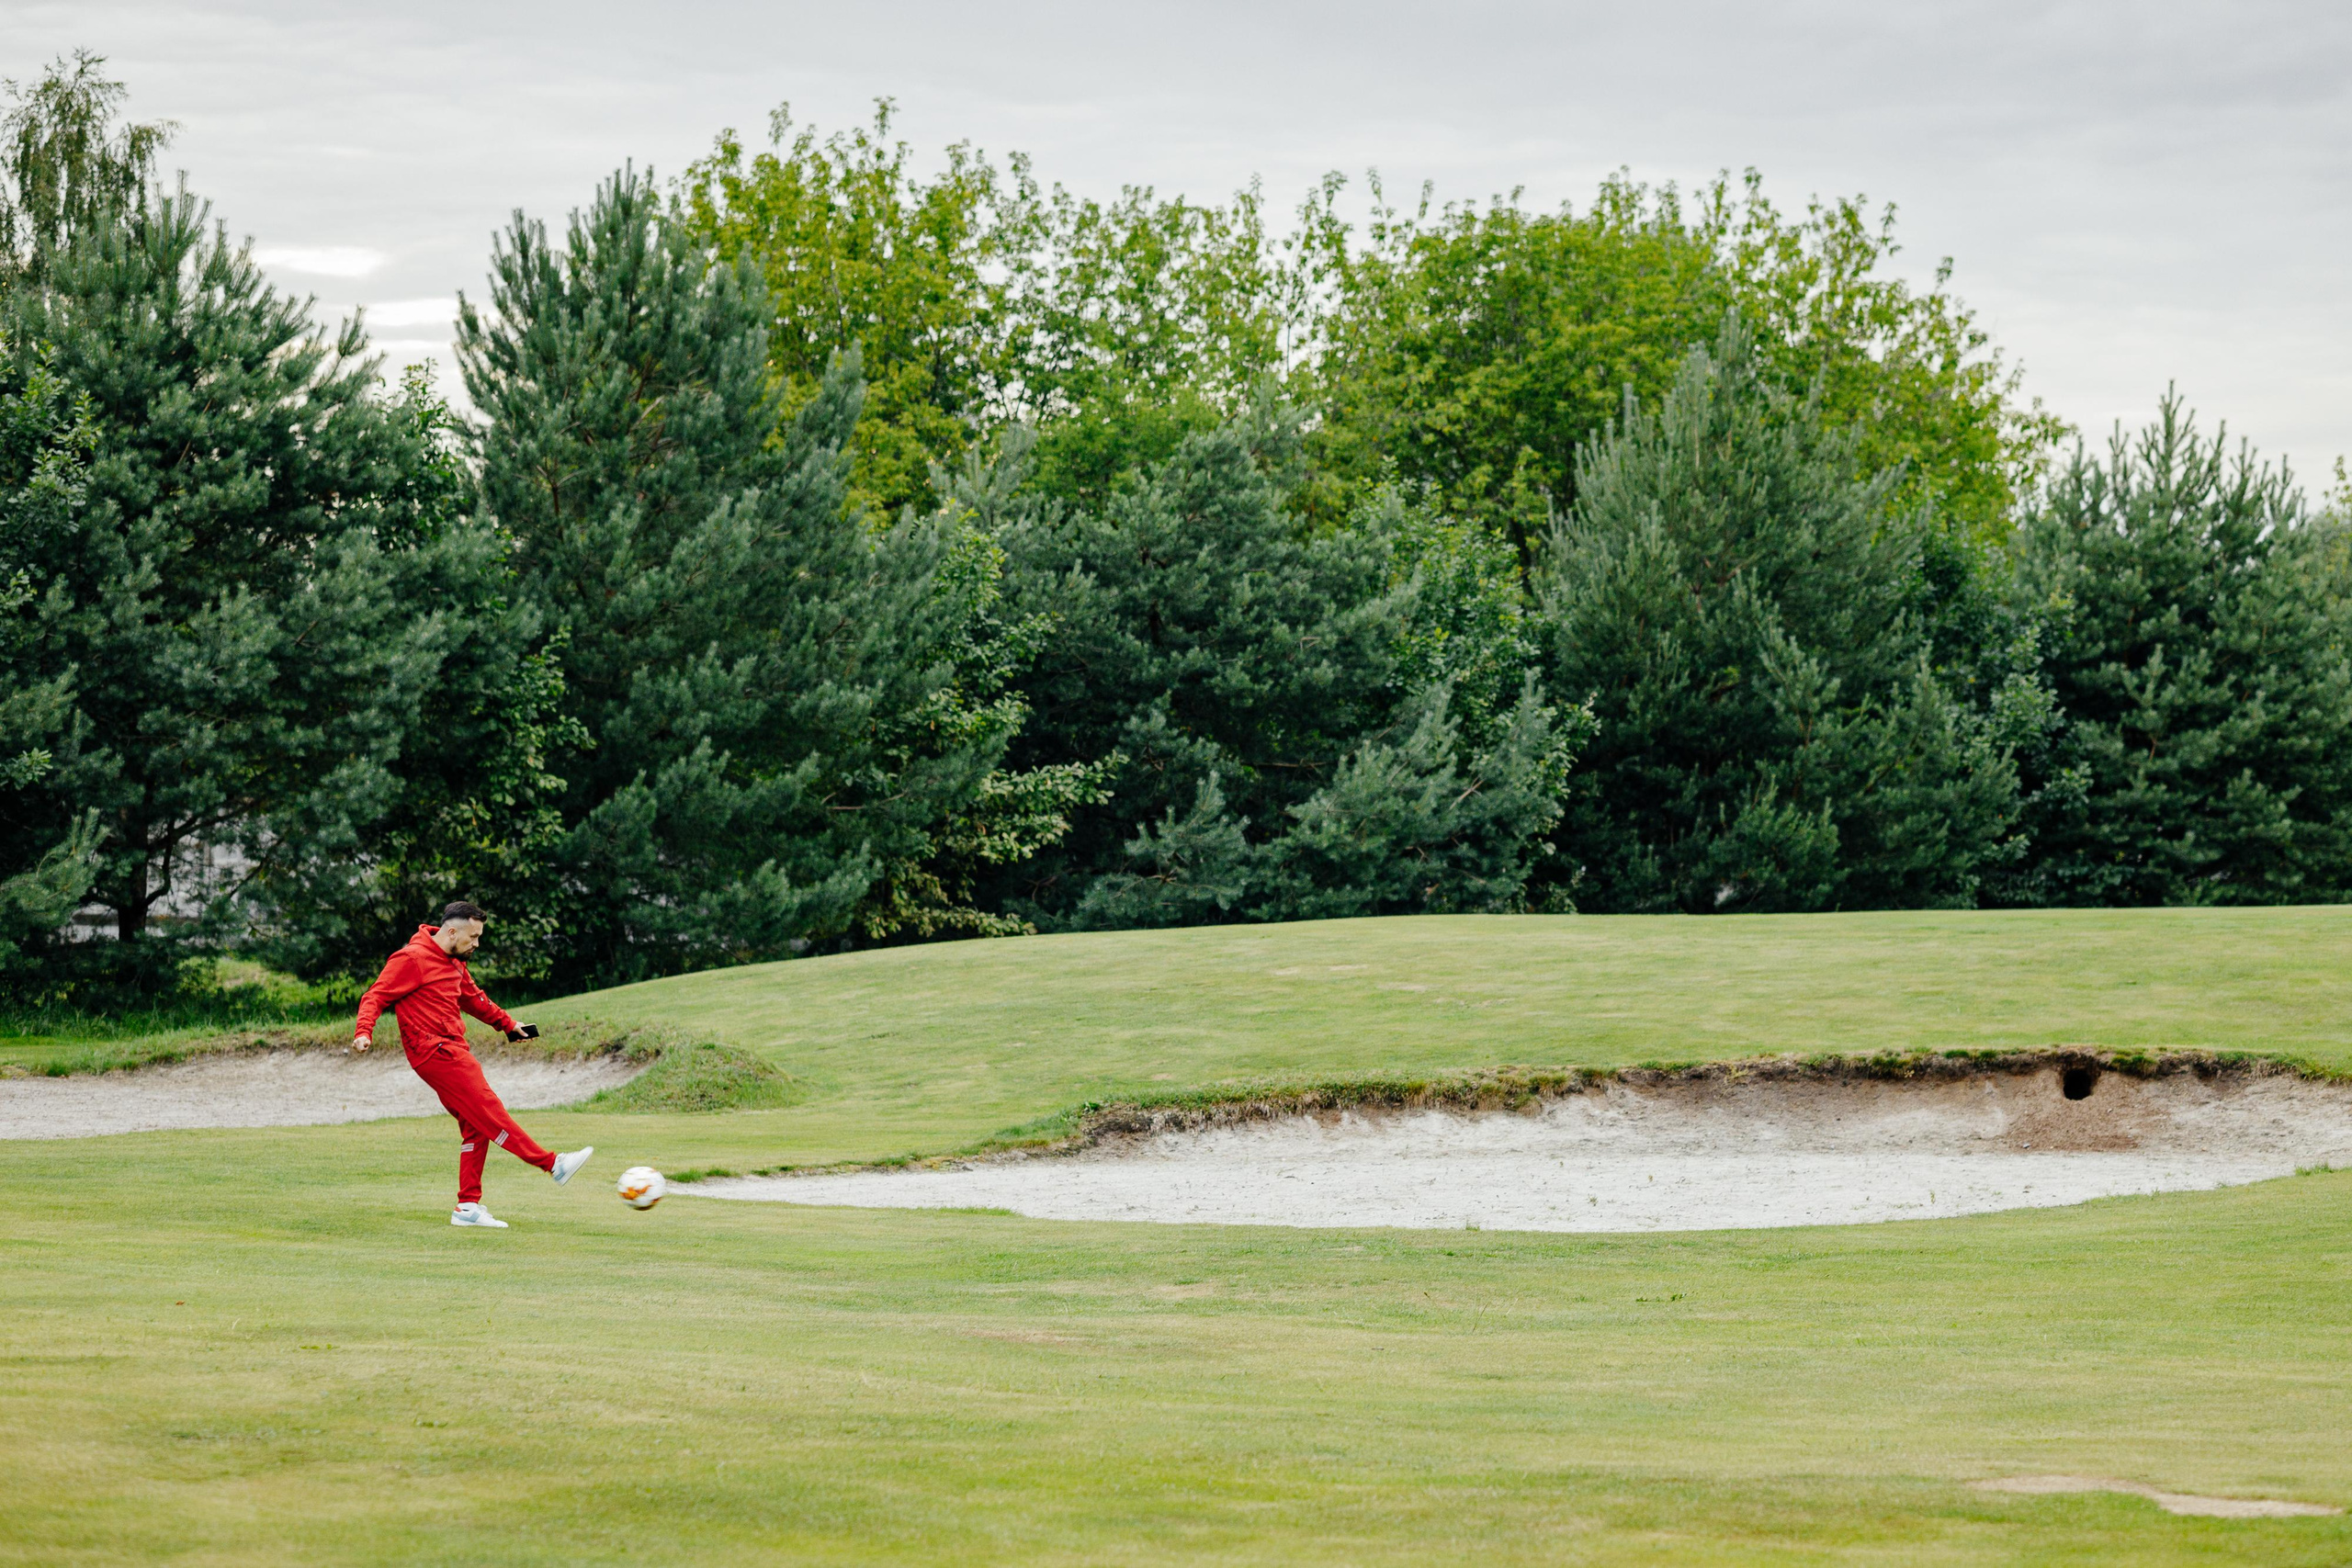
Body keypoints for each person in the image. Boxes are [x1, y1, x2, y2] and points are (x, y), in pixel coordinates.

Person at [354, 900, 593, 1227]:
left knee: (475, 1126)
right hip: (435, 1051)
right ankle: (553, 1165)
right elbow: (375, 997)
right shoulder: (411, 959)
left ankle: (467, 1207)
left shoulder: (454, 961)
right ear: (452, 931)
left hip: (451, 1048)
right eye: (474, 936)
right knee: (489, 1110)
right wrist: (364, 1031)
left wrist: (509, 1024)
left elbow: (473, 998)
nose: (477, 944)